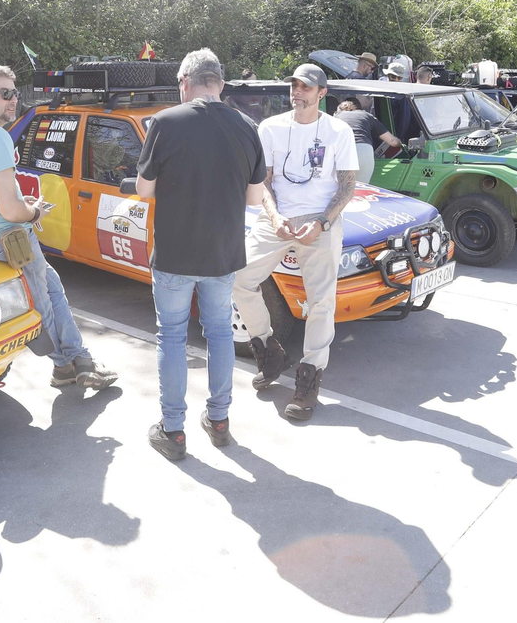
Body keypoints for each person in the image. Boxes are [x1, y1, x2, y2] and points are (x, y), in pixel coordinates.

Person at [0, 64, 118, 388]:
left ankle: (78, 360)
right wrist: (34, 213)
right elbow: (10, 209)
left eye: (14, 92)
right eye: (5, 93)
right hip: (10, 239)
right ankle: (67, 363)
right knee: (43, 300)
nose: (13, 100)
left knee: (52, 289)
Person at [135, 49, 266, 460]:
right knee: (220, 333)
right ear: (221, 84)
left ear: (184, 83)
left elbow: (143, 190)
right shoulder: (247, 126)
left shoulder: (166, 122)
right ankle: (220, 420)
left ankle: (173, 431)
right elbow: (255, 197)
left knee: (171, 337)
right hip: (222, 253)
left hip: (175, 252)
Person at [232, 63, 360, 420]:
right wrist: (274, 217)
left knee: (321, 302)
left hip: (322, 221)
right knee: (240, 278)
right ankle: (269, 350)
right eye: (294, 86)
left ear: (322, 94)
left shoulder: (338, 131)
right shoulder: (271, 127)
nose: (298, 91)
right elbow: (264, 182)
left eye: (306, 87)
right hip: (276, 218)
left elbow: (348, 186)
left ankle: (309, 377)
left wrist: (322, 222)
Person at [335, 99, 400, 183]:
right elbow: (393, 142)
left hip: (343, 151)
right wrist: (400, 142)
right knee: (362, 189)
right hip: (364, 151)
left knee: (342, 189)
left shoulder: (334, 118)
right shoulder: (366, 115)